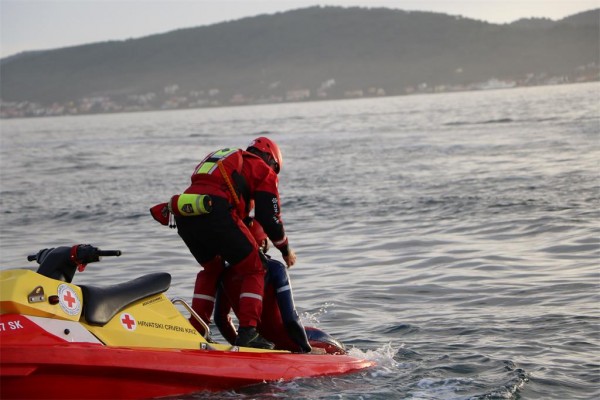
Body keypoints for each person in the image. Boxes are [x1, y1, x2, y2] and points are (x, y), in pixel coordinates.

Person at [153, 137, 296, 349]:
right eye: (275, 168)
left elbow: (226, 202)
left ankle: (197, 329)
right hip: (215, 211)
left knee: (212, 268)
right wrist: (285, 249)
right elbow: (270, 218)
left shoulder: (224, 157)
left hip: (185, 213)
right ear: (270, 159)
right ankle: (249, 332)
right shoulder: (263, 169)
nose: (274, 173)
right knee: (255, 268)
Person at [214, 220, 346, 354]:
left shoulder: (225, 274)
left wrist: (240, 346)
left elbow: (220, 320)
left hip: (257, 342)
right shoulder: (276, 269)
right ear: (264, 243)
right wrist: (305, 349)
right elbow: (290, 319)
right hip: (290, 341)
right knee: (343, 351)